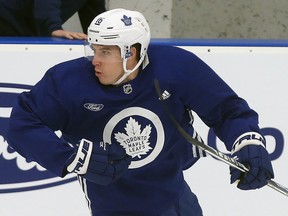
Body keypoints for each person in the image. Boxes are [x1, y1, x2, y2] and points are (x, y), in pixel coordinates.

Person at [7, 8, 274, 216]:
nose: (95, 60)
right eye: (94, 50)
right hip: (113, 206)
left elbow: (227, 110)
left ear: (131, 52)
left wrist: (248, 141)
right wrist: (71, 158)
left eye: (106, 52)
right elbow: (21, 123)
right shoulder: (68, 81)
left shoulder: (175, 67)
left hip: (175, 197)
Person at [0, 0, 106, 39]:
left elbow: (95, 16)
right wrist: (53, 27)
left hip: (30, 29)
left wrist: (104, 38)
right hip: (6, 21)